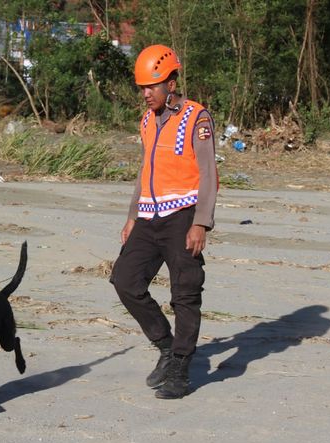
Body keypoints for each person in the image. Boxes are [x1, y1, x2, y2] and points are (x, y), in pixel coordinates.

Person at [111, 44, 218, 399]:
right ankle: (166, 346)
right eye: (142, 87)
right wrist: (132, 216)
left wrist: (201, 222)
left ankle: (181, 367)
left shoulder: (196, 118)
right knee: (125, 280)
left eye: (151, 87)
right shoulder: (145, 121)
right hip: (148, 216)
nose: (145, 94)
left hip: (184, 217)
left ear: (170, 83)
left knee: (185, 292)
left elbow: (208, 174)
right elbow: (145, 172)